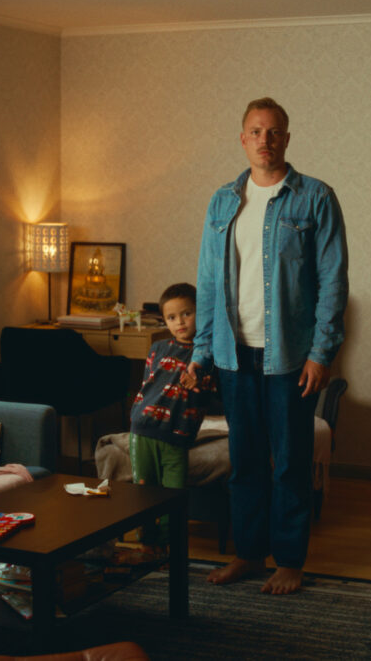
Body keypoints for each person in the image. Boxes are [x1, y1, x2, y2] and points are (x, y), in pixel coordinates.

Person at [186, 97, 348, 594]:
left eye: (274, 132)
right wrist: (201, 352)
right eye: (256, 132)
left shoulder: (315, 198)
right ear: (243, 139)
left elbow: (333, 281)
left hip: (290, 357)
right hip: (234, 355)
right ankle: (249, 554)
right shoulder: (222, 201)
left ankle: (290, 561)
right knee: (246, 463)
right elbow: (208, 283)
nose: (265, 140)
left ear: (287, 139)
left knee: (291, 464)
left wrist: (321, 353)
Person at [128, 282, 217, 556]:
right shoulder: (157, 348)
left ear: (201, 313)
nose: (180, 322)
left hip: (178, 436)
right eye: (171, 317)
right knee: (144, 493)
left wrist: (199, 384)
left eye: (187, 314)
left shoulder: (208, 356)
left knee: (174, 496)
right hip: (143, 430)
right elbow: (147, 386)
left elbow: (214, 395)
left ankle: (170, 551)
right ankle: (147, 546)